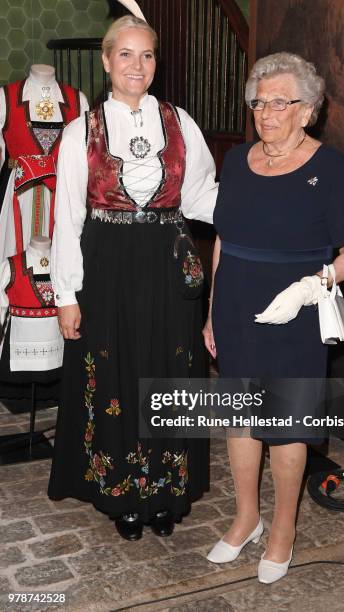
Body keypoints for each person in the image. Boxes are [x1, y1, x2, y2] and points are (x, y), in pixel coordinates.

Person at [48, 13, 218, 541]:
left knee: (169, 373)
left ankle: (167, 492)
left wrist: (264, 209)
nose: (137, 66)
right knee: (114, 373)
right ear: (106, 61)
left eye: (146, 55)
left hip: (168, 264)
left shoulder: (181, 122)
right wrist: (66, 295)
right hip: (107, 266)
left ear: (155, 63)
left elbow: (202, 197)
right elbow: (68, 217)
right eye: (126, 54)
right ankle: (120, 492)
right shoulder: (83, 129)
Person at [204, 52, 344, 583]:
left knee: (285, 426)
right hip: (235, 307)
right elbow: (223, 241)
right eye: (259, 102)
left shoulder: (330, 167)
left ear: (309, 110)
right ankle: (246, 517)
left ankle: (283, 530)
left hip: (295, 313)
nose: (266, 113)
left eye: (281, 102)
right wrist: (211, 314)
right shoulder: (236, 161)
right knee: (239, 419)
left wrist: (310, 286)